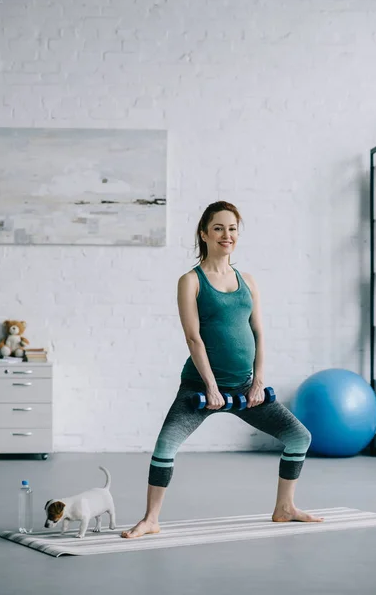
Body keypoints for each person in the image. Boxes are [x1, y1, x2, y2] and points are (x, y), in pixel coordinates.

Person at [121, 201, 323, 539]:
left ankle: (285, 507)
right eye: (218, 228)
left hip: (245, 387)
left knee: (298, 436)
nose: (226, 235)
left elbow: (258, 331)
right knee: (165, 447)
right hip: (199, 388)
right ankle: (151, 519)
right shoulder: (191, 281)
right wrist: (212, 388)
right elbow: (193, 338)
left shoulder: (248, 281)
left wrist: (258, 381)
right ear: (204, 233)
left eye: (232, 228)